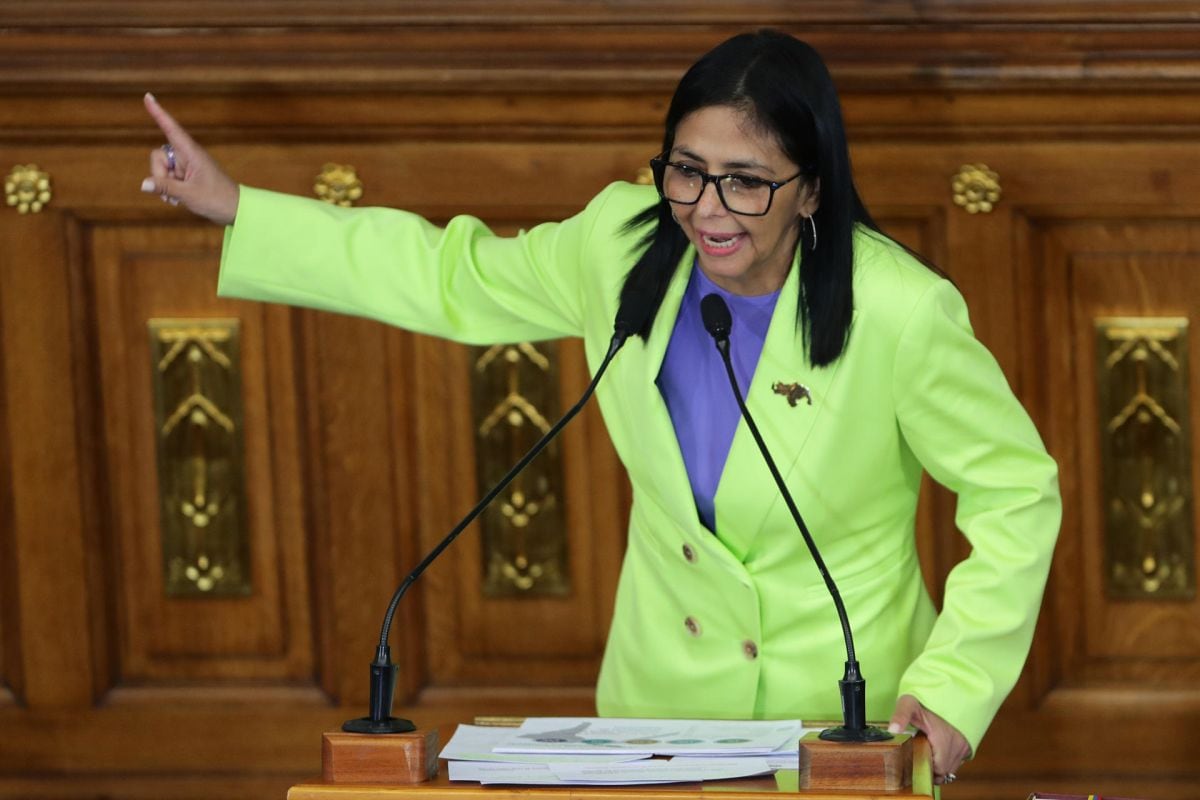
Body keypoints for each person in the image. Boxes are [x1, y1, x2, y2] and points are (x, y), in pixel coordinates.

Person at [140, 29, 1060, 787]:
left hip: (844, 730)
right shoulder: (619, 248)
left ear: (811, 188)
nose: (708, 209)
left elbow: (1016, 491)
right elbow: (447, 275)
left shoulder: (899, 310)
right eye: (686, 171)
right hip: (655, 720)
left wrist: (953, 689)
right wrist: (237, 209)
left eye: (746, 180)